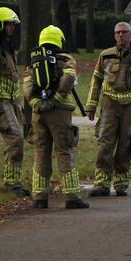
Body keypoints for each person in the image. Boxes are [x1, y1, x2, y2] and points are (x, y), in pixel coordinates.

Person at [86, 21, 131, 197]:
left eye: (124, 32)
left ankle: (121, 182)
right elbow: (96, 81)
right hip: (109, 105)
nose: (120, 35)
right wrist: (91, 105)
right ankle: (101, 182)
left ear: (130, 35)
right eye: (118, 32)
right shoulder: (105, 55)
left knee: (126, 144)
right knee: (105, 142)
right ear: (114, 35)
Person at [22, 25, 89, 210]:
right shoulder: (65, 58)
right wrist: (58, 98)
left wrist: (36, 103)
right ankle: (72, 197)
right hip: (59, 114)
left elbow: (27, 85)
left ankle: (39, 198)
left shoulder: (33, 61)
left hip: (38, 114)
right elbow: (69, 76)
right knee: (64, 151)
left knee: (41, 153)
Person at [0, 6, 28, 197]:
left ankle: (15, 181)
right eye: (9, 25)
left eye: (13, 26)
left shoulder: (6, 46)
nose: (12, 29)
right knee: (15, 138)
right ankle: (11, 183)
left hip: (12, 99)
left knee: (19, 140)